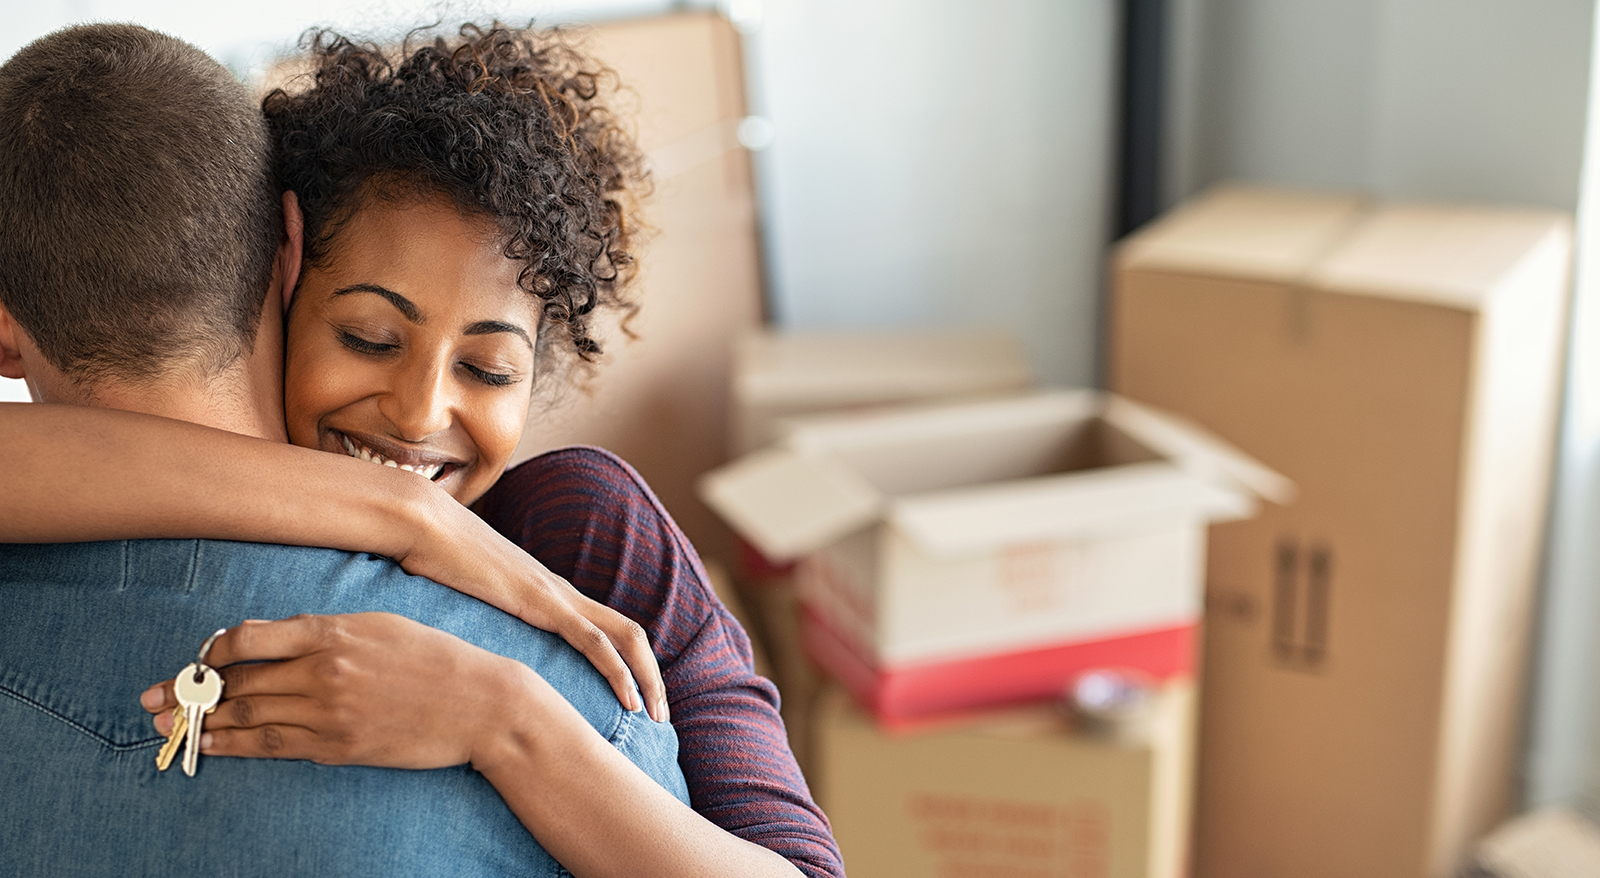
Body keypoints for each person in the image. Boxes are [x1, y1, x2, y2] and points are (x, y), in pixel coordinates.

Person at [0, 20, 843, 878]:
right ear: (284, 277)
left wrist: (505, 719)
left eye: (486, 367)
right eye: (368, 337)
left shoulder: (585, 533)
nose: (416, 413)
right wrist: (403, 516)